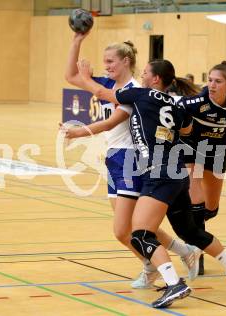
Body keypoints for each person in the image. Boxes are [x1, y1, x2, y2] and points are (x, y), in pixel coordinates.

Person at [75, 58, 226, 308]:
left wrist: (85, 77)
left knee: (141, 234)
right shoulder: (176, 105)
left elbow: (103, 93)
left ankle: (174, 284)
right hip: (177, 171)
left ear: (155, 79)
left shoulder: (139, 94)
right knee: (190, 232)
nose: (142, 75)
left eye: (145, 72)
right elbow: (188, 130)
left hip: (159, 171)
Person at [63, 32, 199, 289]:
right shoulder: (110, 84)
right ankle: (181, 252)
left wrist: (78, 131)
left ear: (126, 61)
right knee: (133, 227)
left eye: (111, 61)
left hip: (131, 160)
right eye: (104, 62)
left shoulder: (135, 91)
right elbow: (70, 76)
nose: (106, 66)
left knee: (123, 230)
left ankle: (156, 267)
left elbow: (109, 123)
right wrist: (77, 41)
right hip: (114, 159)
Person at [180, 61, 226, 274]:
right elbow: (175, 111)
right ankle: (196, 249)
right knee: (195, 197)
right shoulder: (195, 102)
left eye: (218, 81)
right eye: (210, 80)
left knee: (211, 208)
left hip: (218, 152)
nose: (212, 85)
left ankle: (195, 225)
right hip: (194, 148)